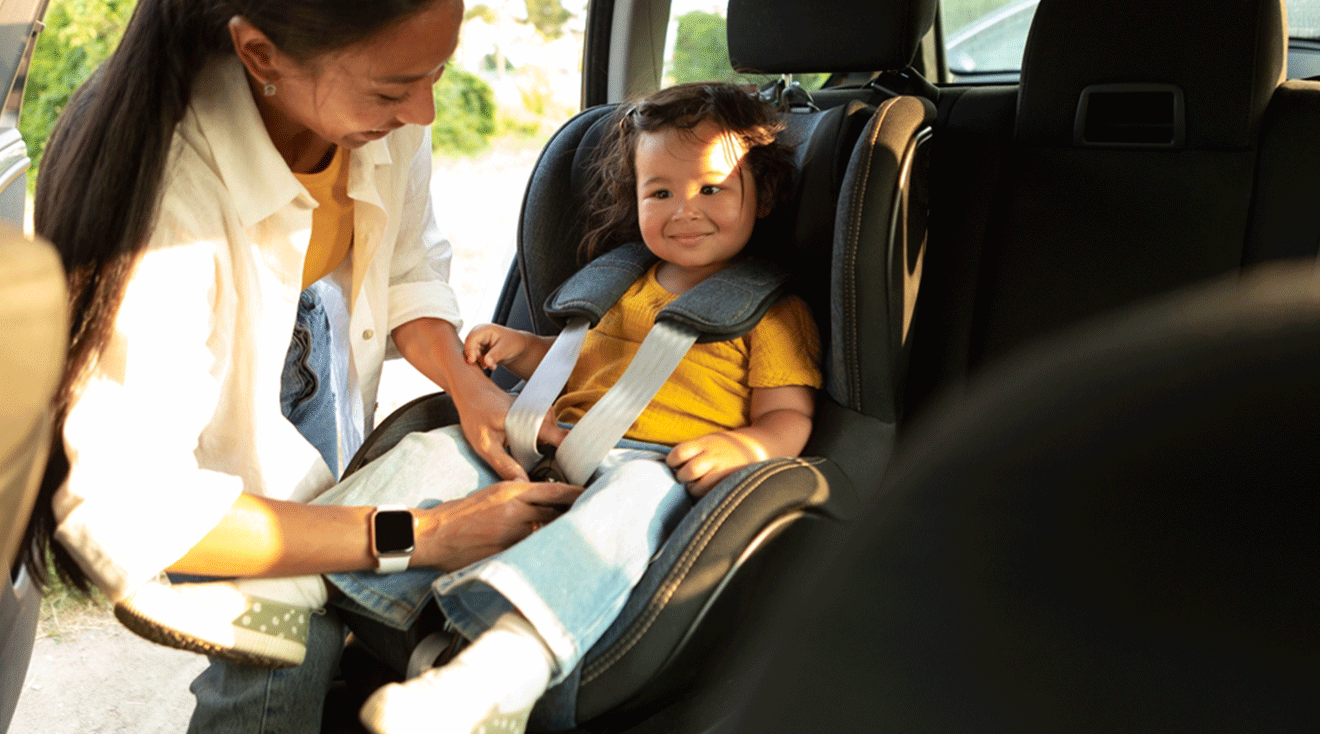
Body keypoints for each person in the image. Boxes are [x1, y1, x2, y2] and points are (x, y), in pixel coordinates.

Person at [113, 81, 823, 734]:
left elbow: (788, 414)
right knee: (435, 447)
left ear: (760, 197)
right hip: (556, 443)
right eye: (659, 192)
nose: (684, 209)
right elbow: (589, 366)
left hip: (663, 467)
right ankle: (287, 590)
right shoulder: (624, 286)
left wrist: (753, 447)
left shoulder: (768, 313)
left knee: (628, 504)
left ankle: (498, 678)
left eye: (711, 188)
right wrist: (521, 349)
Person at [17, 1, 581, 732]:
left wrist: (470, 387)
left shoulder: (388, 113)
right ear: (259, 54)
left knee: (315, 601)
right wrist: (419, 532)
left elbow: (408, 267)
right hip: (188, 412)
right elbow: (127, 505)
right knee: (294, 633)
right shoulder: (166, 197)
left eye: (436, 73)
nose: (425, 110)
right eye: (392, 89)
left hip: (308, 329)